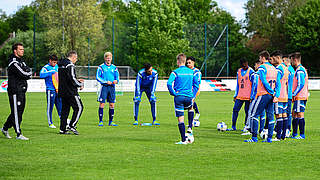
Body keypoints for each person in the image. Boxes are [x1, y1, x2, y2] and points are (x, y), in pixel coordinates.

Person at [244, 50, 280, 143]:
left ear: (263, 58)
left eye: (260, 58)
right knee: (271, 117)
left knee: (254, 115)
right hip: (272, 96)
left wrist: (271, 91)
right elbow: (278, 83)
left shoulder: (262, 68)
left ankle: (254, 137)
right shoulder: (274, 68)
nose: (259, 60)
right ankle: (269, 138)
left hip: (263, 94)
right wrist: (276, 94)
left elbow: (263, 81)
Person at [1, 43, 32, 140]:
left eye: (23, 49)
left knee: (18, 112)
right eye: (21, 49)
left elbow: (29, 71)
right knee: (16, 112)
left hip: (22, 90)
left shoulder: (21, 61)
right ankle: (18, 133)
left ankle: (5, 128)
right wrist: (27, 73)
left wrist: (28, 73)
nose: (23, 51)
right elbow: (24, 73)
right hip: (15, 91)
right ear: (15, 51)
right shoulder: (13, 62)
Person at [167, 53, 199, 145]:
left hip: (179, 97)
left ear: (178, 61)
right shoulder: (192, 72)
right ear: (185, 61)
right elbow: (196, 85)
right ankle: (190, 127)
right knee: (190, 108)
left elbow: (169, 84)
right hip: (189, 97)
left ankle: (183, 140)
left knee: (181, 118)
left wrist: (173, 93)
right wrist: (192, 95)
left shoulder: (175, 72)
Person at [58, 51, 84, 135]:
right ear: (73, 57)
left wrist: (76, 79)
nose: (76, 60)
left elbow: (67, 77)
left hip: (62, 91)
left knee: (65, 110)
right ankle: (72, 125)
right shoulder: (70, 65)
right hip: (71, 91)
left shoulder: (61, 64)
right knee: (79, 107)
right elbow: (72, 79)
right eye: (76, 59)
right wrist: (80, 84)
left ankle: (62, 129)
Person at [227, 59, 255, 131]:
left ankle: (246, 126)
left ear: (247, 63)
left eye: (245, 63)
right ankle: (233, 126)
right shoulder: (239, 71)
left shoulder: (251, 71)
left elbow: (254, 85)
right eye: (243, 64)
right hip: (240, 95)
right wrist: (235, 94)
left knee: (247, 111)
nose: (244, 65)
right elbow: (238, 84)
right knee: (235, 109)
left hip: (248, 96)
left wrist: (252, 96)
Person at [96, 52, 119, 127]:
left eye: (110, 58)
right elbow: (98, 77)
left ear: (111, 58)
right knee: (102, 103)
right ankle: (100, 121)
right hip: (104, 87)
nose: (108, 59)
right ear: (105, 58)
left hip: (112, 87)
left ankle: (111, 121)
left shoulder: (114, 67)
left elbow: (117, 77)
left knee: (112, 104)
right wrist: (106, 82)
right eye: (107, 58)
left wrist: (116, 81)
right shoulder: (101, 67)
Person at [270, 50, 289, 141]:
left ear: (277, 58)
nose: (271, 61)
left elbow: (277, 83)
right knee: (284, 115)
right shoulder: (286, 68)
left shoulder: (278, 69)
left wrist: (275, 94)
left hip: (279, 96)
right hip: (285, 95)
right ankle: (283, 136)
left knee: (278, 115)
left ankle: (278, 136)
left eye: (273, 59)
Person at [244, 60, 266, 136]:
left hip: (256, 96)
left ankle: (250, 129)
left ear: (258, 65)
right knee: (262, 114)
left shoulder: (256, 74)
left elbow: (255, 86)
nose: (254, 66)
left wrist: (252, 96)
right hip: (264, 96)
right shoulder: (266, 73)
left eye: (255, 64)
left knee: (251, 112)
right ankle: (262, 130)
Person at [40, 54, 62, 128]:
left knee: (60, 105)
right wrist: (50, 72)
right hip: (50, 90)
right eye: (53, 62)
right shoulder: (46, 68)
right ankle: (50, 122)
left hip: (58, 89)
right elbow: (41, 75)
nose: (55, 64)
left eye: (56, 62)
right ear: (50, 61)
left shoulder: (56, 66)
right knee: (50, 106)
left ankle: (63, 119)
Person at [291, 52, 308, 139]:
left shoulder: (300, 70)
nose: (291, 63)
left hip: (300, 96)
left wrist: (294, 93)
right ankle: (294, 134)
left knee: (300, 114)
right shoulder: (299, 69)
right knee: (294, 113)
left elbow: (301, 84)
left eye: (292, 60)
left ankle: (301, 134)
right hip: (299, 96)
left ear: (295, 60)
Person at [186, 56, 201, 128]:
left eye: (189, 63)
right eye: (187, 63)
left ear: (193, 63)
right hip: (188, 90)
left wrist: (197, 91)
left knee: (191, 104)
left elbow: (197, 83)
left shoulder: (197, 72)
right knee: (190, 104)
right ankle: (195, 117)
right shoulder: (187, 71)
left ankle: (191, 122)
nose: (188, 64)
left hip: (194, 90)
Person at [283, 54, 295, 137]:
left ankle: (287, 129)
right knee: (287, 113)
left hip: (287, 94)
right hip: (289, 94)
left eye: (283, 61)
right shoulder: (292, 70)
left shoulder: (288, 70)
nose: (282, 63)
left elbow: (287, 84)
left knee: (287, 113)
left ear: (287, 61)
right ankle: (286, 129)